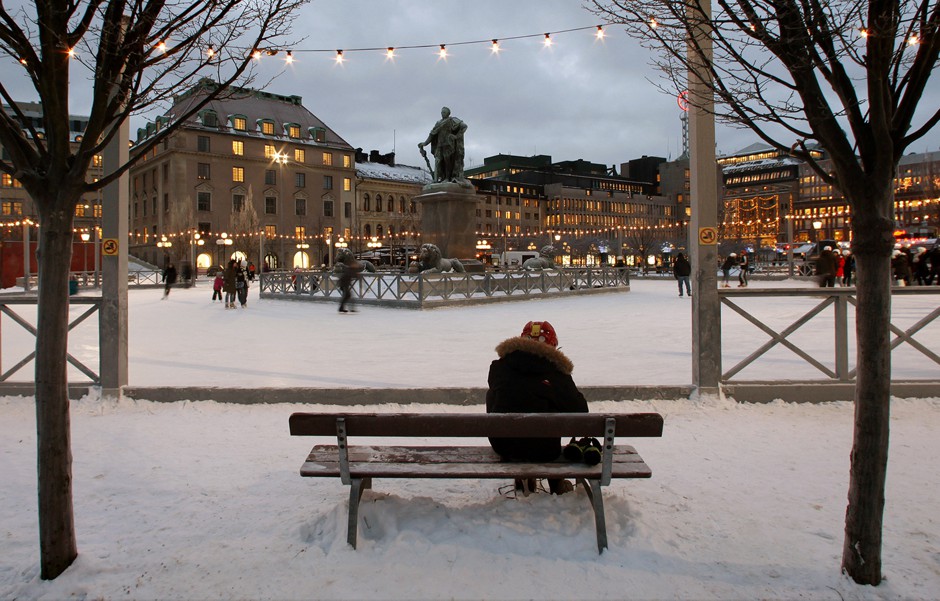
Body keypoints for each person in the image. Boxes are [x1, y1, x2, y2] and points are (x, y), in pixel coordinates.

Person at [486, 321, 588, 495]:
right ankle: (556, 483)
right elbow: (581, 412)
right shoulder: (556, 373)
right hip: (545, 451)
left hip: (504, 447)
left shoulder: (499, 368)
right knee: (549, 406)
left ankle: (522, 479)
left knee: (495, 395)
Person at [418, 106, 468, 183]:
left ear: (448, 113)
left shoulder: (453, 120)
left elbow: (464, 126)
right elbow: (432, 134)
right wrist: (425, 143)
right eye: (441, 112)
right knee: (438, 161)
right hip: (439, 145)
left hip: (448, 145)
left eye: (444, 112)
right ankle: (436, 180)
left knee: (447, 162)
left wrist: (456, 136)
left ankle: (447, 178)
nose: (442, 114)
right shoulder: (438, 123)